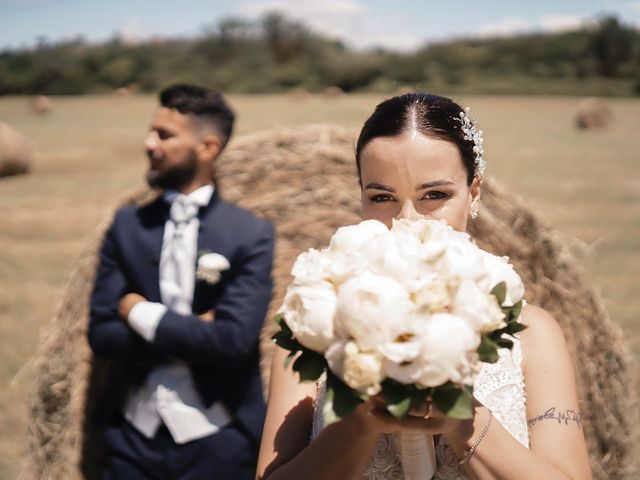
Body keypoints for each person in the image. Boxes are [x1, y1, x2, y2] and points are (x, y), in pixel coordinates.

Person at [257, 93, 592, 479]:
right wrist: (359, 425)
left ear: (474, 193)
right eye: (382, 197)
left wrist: (461, 422)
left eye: (435, 195)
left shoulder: (533, 334)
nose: (407, 220)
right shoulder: (313, 328)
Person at [88, 84, 275, 480]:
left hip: (221, 441)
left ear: (207, 147)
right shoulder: (127, 226)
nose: (148, 143)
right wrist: (196, 333)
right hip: (130, 441)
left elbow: (232, 341)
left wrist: (138, 312)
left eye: (165, 135)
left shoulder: (249, 234)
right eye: (151, 131)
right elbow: (102, 333)